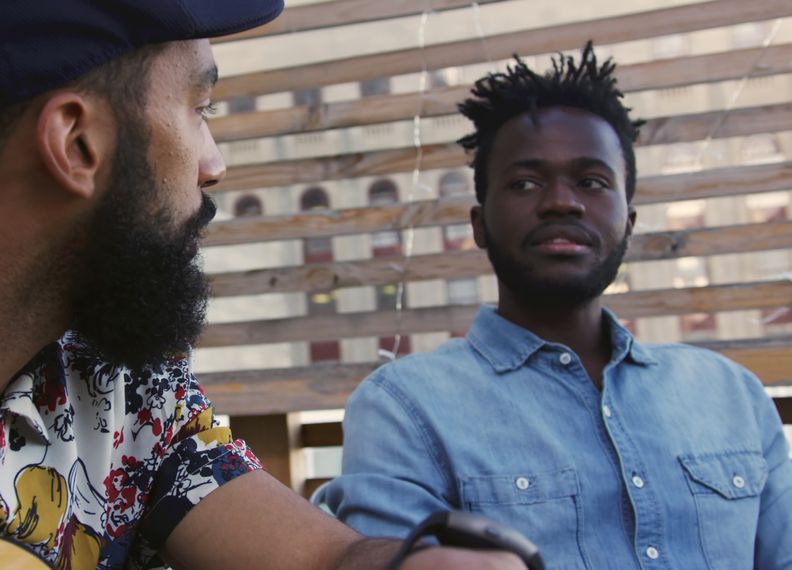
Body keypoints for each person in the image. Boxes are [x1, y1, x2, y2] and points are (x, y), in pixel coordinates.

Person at [0, 1, 531, 569]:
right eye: (199, 107)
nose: (216, 163)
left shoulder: (122, 389)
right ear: (77, 144)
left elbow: (323, 557)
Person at [320, 43, 792, 569]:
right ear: (479, 225)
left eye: (591, 182)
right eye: (526, 182)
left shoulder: (732, 394)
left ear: (628, 224)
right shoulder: (403, 407)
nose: (561, 201)